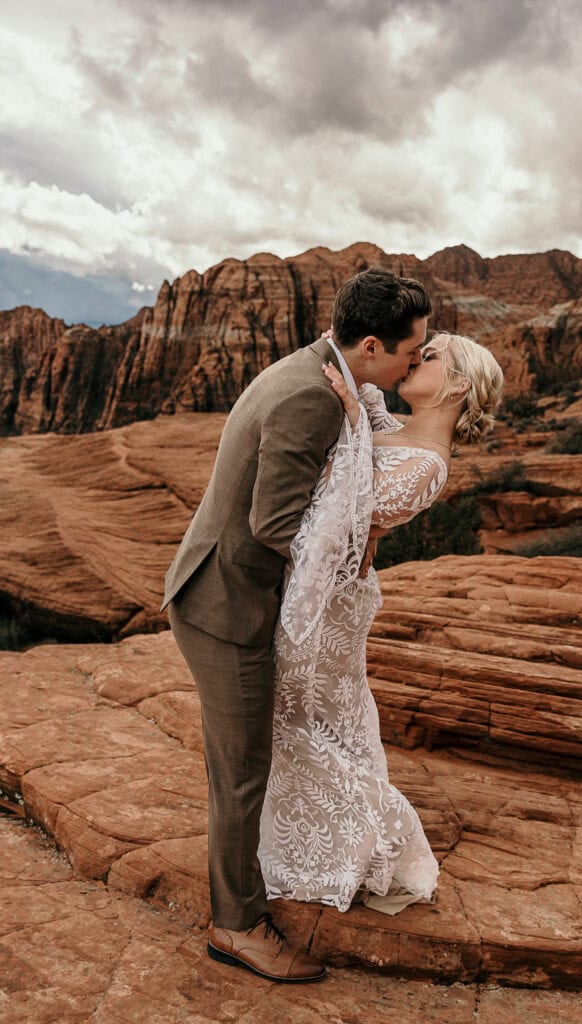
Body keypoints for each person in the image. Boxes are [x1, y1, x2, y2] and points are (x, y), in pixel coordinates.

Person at [162, 268, 431, 983]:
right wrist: (357, 555)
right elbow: (278, 524)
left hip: (232, 594)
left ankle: (248, 893)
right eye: (410, 352)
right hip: (226, 607)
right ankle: (236, 927)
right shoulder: (313, 395)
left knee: (247, 764)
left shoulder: (318, 373)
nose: (411, 366)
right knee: (242, 773)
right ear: (370, 344)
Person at [258, 332, 504, 914]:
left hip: (335, 610)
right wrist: (357, 391)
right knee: (303, 721)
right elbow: (358, 374)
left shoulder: (428, 465)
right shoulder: (397, 430)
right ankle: (315, 845)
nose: (417, 357)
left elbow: (344, 511)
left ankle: (351, 848)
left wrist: (348, 415)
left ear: (460, 384)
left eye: (432, 354)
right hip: (325, 593)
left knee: (309, 722)